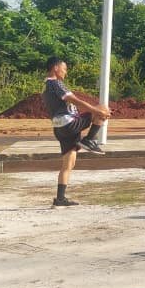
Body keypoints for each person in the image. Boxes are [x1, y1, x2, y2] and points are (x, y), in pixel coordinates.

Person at [41, 57, 111, 207]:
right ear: (55, 68)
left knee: (69, 164)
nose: (65, 72)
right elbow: (73, 100)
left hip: (60, 128)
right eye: (64, 68)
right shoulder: (55, 83)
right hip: (69, 124)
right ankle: (89, 139)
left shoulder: (46, 87)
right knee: (103, 110)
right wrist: (95, 110)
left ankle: (60, 199)